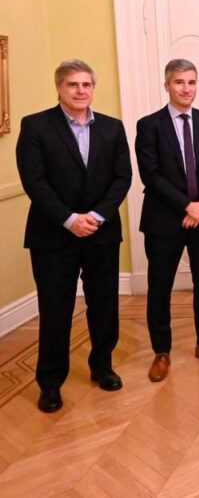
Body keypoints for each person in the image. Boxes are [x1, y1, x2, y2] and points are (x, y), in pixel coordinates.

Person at [16, 59, 132, 413]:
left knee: (104, 304)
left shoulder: (112, 128)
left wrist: (95, 216)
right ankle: (50, 383)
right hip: (53, 235)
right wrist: (69, 219)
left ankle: (102, 366)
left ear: (93, 88)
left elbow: (122, 178)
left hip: (101, 232)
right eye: (72, 84)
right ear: (59, 88)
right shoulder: (35, 126)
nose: (80, 91)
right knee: (56, 310)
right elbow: (34, 181)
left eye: (86, 84)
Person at [136, 59, 199, 383]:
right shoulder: (149, 125)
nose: (186, 88)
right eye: (179, 82)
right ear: (167, 85)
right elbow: (151, 176)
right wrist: (187, 206)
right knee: (159, 286)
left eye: (191, 82)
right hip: (164, 220)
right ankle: (161, 352)